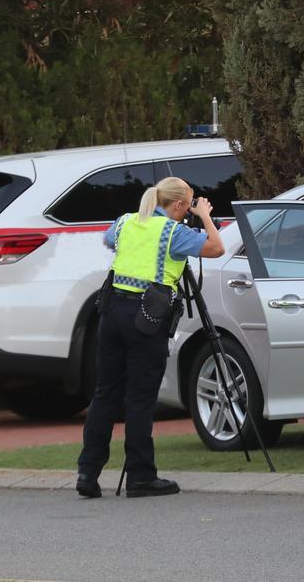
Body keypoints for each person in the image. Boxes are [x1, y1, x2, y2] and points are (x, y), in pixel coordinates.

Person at [76, 177, 225, 498]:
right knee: (140, 397)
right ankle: (141, 476)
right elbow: (216, 248)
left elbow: (108, 240)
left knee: (105, 394)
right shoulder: (175, 232)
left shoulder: (126, 222)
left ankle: (87, 472)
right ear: (181, 206)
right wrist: (206, 217)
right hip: (147, 316)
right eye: (190, 203)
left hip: (112, 311)